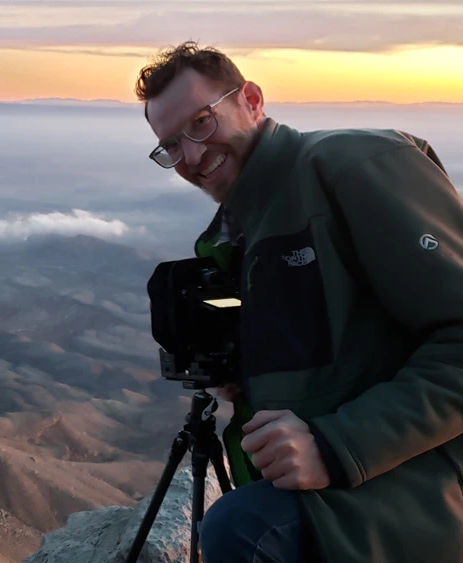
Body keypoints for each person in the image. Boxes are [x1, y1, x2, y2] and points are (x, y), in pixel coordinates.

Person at [135, 41, 463, 562]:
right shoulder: (242, 226)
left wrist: (335, 446)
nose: (192, 156)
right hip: (343, 489)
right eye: (170, 146)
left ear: (251, 99)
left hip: (416, 486)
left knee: (239, 527)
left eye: (201, 123)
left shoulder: (354, 165)